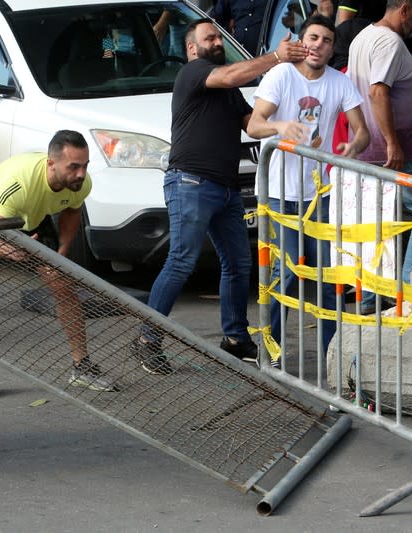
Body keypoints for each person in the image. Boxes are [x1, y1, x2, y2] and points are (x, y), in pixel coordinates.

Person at [131, 19, 307, 375]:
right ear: (192, 48)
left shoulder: (227, 88)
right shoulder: (194, 73)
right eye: (208, 37)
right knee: (181, 261)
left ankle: (235, 338)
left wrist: (282, 125)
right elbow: (230, 76)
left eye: (218, 37)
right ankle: (147, 338)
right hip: (191, 183)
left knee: (239, 265)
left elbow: (251, 124)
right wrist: (276, 56)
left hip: (226, 189)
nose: (216, 41)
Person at [246, 14, 369, 358]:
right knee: (283, 276)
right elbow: (254, 125)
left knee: (329, 281)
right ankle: (270, 354)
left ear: (332, 49)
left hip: (319, 196)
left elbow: (362, 131)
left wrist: (352, 147)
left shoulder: (339, 82)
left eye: (326, 40)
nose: (318, 45)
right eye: (313, 38)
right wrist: (281, 125)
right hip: (278, 193)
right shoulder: (281, 75)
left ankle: (333, 358)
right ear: (302, 41)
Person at [0, 130, 115, 400]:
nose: (81, 174)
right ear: (51, 164)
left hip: (30, 219)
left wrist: (62, 251)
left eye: (84, 165)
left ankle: (81, 366)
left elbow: (73, 209)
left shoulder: (81, 183)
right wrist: (15, 253)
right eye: (73, 167)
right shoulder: (19, 184)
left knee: (63, 285)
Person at [347, 0, 412, 310]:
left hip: (371, 147)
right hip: (396, 150)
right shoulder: (389, 42)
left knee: (380, 221)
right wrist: (393, 143)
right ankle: (408, 291)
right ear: (405, 8)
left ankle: (373, 296)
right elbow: (378, 91)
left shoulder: (365, 37)